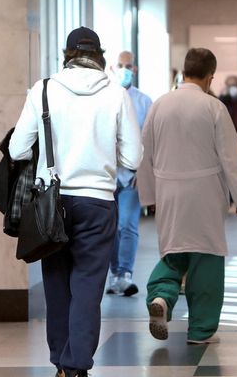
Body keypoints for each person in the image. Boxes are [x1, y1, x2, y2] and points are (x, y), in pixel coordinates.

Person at [8, 27, 142, 377]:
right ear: (99, 56)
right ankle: (76, 365)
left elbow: (17, 149)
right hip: (97, 202)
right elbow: (132, 158)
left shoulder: (43, 90)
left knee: (56, 285)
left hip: (51, 202)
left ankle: (61, 363)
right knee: (87, 286)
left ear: (66, 55)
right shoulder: (116, 94)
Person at [138, 48, 237, 345]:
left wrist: (148, 197)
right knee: (205, 256)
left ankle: (161, 296)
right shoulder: (214, 107)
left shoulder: (159, 105)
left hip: (168, 191)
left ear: (183, 71)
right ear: (210, 77)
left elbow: (144, 154)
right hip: (205, 192)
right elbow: (232, 157)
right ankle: (201, 330)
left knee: (173, 251)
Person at [106, 51, 153, 297]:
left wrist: (143, 171)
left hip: (132, 176)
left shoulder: (144, 102)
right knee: (111, 227)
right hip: (107, 176)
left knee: (127, 225)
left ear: (135, 69)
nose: (125, 69)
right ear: (113, 68)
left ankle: (125, 273)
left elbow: (150, 141)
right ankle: (115, 274)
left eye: (129, 65)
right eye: (120, 65)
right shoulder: (104, 98)